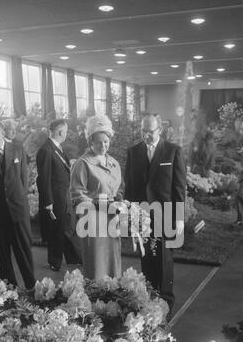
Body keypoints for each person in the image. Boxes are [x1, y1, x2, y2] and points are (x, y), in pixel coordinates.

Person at [124, 114, 186, 310]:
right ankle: (148, 297)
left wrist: (179, 218)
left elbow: (179, 187)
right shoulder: (133, 152)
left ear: (160, 129)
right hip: (142, 213)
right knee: (146, 257)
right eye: (143, 131)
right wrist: (130, 215)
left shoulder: (173, 151)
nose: (146, 135)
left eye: (150, 131)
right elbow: (130, 187)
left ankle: (166, 302)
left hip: (165, 212)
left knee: (164, 258)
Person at [0, 119, 35, 289]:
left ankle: (32, 286)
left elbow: (24, 181)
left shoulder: (17, 149)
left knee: (24, 251)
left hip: (18, 210)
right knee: (3, 255)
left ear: (2, 133)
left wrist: (18, 199)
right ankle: (10, 290)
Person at [70, 114, 123, 280]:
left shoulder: (114, 163)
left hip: (112, 220)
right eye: (98, 142)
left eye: (106, 141)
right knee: (97, 265)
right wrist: (102, 205)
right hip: (93, 222)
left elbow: (120, 189)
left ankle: (113, 299)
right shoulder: (83, 164)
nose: (103, 145)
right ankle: (95, 301)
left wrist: (121, 203)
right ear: (90, 142)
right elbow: (77, 195)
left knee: (113, 262)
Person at [36, 119, 77, 271]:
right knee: (56, 230)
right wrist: (48, 201)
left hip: (62, 194)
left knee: (63, 227)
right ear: (60, 132)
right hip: (54, 197)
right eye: (66, 132)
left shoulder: (55, 147)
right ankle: (55, 261)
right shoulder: (46, 150)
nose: (66, 134)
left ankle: (72, 257)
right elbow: (44, 178)